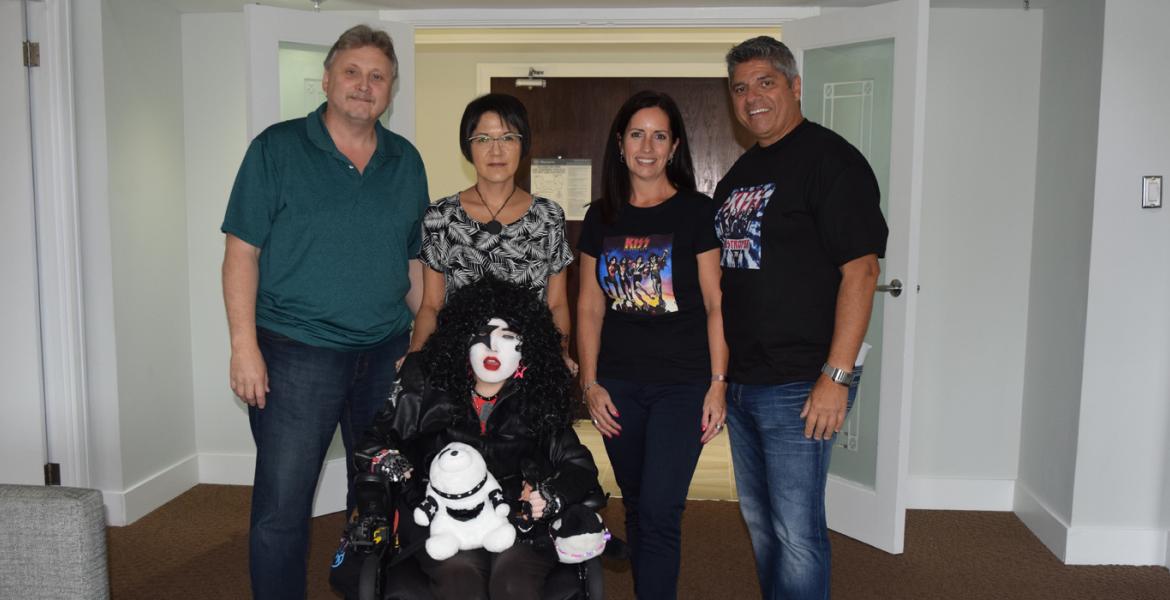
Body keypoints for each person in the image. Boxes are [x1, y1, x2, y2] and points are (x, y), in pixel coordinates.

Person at [220, 25, 428, 600]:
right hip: (294, 353)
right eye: (353, 72)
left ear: (391, 90)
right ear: (328, 79)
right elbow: (241, 253)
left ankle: (364, 589)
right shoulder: (276, 149)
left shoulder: (405, 162)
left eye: (378, 76)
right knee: (282, 507)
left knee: (379, 496)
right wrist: (244, 347)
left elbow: (412, 264)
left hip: (385, 352)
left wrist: (429, 340)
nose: (365, 85)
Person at [715, 36, 888, 600]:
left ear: (794, 86)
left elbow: (861, 271)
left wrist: (836, 377)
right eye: (740, 88)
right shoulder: (741, 173)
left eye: (766, 82)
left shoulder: (831, 161)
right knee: (761, 522)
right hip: (745, 380)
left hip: (801, 380)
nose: (752, 97)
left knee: (797, 530)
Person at [352, 277, 604, 600]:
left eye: (508, 336)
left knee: (513, 582)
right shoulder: (428, 390)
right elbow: (372, 442)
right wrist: (394, 462)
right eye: (482, 337)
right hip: (445, 520)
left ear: (526, 349)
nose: (493, 347)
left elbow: (579, 466)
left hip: (516, 522)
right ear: (462, 340)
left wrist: (548, 495)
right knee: (461, 580)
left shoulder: (536, 402)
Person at [576, 90, 728, 599]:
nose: (647, 146)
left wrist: (718, 383)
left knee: (662, 509)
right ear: (620, 144)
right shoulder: (601, 217)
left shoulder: (695, 212)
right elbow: (590, 307)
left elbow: (714, 303)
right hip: (618, 384)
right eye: (637, 134)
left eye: (659, 135)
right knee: (638, 504)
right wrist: (590, 382)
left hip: (681, 384)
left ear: (674, 146)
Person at [411, 93, 575, 370]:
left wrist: (560, 355)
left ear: (523, 145)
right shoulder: (441, 216)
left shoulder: (549, 216)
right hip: (459, 365)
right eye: (483, 139)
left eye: (508, 138)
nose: (496, 151)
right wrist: (416, 356)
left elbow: (557, 304)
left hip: (528, 365)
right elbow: (430, 305)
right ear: (468, 148)